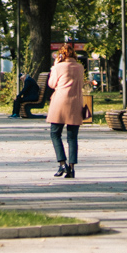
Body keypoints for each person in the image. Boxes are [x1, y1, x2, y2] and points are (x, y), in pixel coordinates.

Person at [46, 44, 86, 178]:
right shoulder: (80, 67)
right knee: (72, 137)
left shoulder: (58, 67)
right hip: (76, 102)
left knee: (55, 134)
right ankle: (72, 168)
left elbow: (51, 84)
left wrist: (54, 66)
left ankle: (62, 164)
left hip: (60, 103)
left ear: (61, 55)